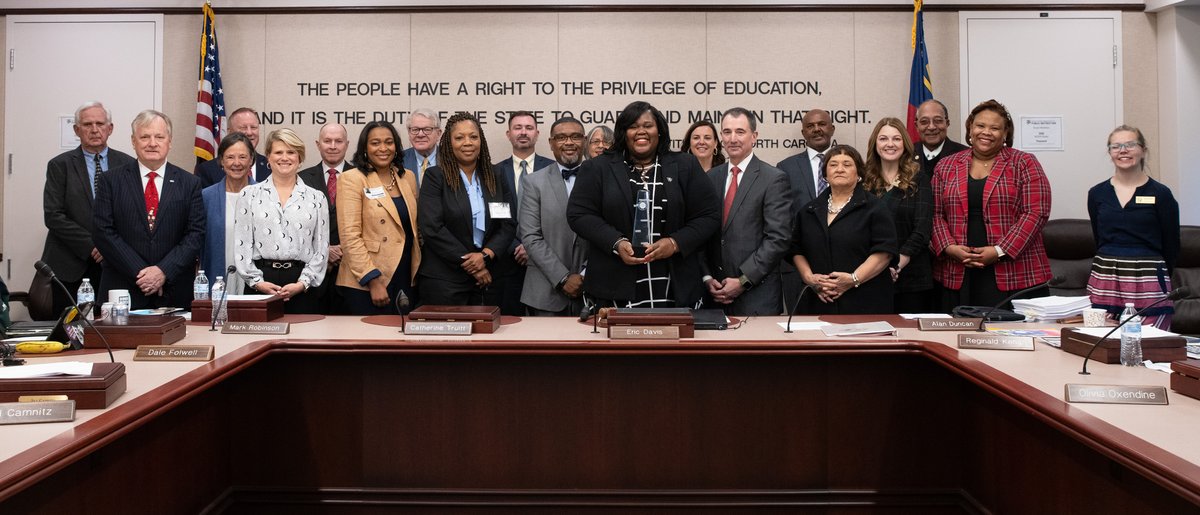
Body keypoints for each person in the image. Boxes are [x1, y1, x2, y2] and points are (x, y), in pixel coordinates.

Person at [566, 101, 720, 309]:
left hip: (673, 282)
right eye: (633, 126)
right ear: (623, 132)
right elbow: (579, 214)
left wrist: (675, 243)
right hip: (614, 282)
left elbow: (709, 215)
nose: (641, 132)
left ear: (659, 131)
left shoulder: (685, 165)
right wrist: (616, 242)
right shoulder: (597, 168)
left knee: (672, 340)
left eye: (648, 126)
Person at [931, 99, 1053, 310]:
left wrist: (999, 251)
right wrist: (948, 247)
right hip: (958, 269)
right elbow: (933, 213)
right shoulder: (947, 165)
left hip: (1015, 272)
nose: (986, 132)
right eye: (980, 126)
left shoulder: (1024, 163)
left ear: (1005, 133)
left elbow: (1036, 213)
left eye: (995, 128)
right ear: (970, 128)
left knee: (1013, 337)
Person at [92, 110, 205, 309]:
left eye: (159, 137)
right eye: (145, 137)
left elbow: (195, 234)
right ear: (133, 142)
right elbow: (103, 232)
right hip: (123, 288)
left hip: (173, 289)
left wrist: (163, 271)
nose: (152, 143)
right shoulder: (110, 181)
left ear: (169, 141)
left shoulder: (190, 183)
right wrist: (143, 274)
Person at [42, 101, 135, 315]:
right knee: (68, 334)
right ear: (76, 130)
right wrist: (93, 245)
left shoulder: (128, 164)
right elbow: (53, 215)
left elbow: (132, 214)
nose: (94, 130)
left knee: (111, 329)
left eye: (100, 123)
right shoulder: (60, 165)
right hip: (70, 265)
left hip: (114, 264)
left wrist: (110, 245)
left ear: (110, 128)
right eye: (87, 124)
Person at [1086, 125, 1180, 329]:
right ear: (1110, 153)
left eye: (1130, 145)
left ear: (1143, 150)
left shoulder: (1161, 194)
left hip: (1148, 280)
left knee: (1150, 345)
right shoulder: (1097, 194)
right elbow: (1098, 238)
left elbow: (1172, 244)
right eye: (1116, 146)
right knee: (1102, 343)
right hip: (1106, 277)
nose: (1123, 150)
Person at [418, 112, 515, 306]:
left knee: (487, 335)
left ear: (481, 140)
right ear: (448, 142)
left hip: (490, 278)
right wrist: (473, 264)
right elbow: (432, 228)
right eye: (459, 137)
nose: (467, 142)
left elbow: (507, 225)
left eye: (473, 136)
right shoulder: (435, 176)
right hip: (445, 280)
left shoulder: (495, 175)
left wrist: (486, 255)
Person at [703, 107, 791, 316]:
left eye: (740, 132)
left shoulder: (773, 178)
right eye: (726, 132)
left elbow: (778, 238)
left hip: (757, 297)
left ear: (754, 137)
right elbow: (701, 233)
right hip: (714, 296)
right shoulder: (710, 178)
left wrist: (743, 280)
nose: (732, 138)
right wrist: (707, 278)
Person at [789, 145, 896, 314]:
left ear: (859, 173)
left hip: (865, 302)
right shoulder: (808, 210)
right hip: (818, 301)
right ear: (825, 174)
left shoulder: (875, 207)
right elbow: (796, 250)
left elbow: (884, 253)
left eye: (847, 164)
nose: (839, 169)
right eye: (833, 165)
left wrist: (853, 279)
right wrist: (810, 279)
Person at [233, 129, 328, 314]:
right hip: (260, 282)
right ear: (268, 157)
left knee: (301, 340)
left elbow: (321, 249)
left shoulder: (317, 198)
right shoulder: (249, 195)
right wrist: (257, 283)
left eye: (291, 152)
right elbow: (242, 245)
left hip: (302, 285)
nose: (284, 157)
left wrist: (302, 283)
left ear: (300, 157)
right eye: (278, 152)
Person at [337, 121, 421, 314]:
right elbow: (350, 236)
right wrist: (372, 279)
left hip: (405, 273)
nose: (383, 148)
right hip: (367, 279)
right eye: (375, 143)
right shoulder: (352, 179)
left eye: (389, 142)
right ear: (365, 148)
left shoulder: (407, 177)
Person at [518, 117, 589, 316]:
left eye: (575, 137)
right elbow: (531, 237)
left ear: (584, 141)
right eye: (561, 137)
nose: (568, 142)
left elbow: (608, 233)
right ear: (551, 143)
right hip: (545, 294)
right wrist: (563, 278)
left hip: (591, 293)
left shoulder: (600, 178)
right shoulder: (533, 182)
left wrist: (584, 275)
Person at [862, 117, 934, 313]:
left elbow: (922, 229)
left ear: (905, 143)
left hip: (912, 277)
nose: (890, 144)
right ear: (875, 144)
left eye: (896, 139)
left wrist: (896, 266)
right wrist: (877, 267)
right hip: (871, 276)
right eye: (883, 139)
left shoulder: (919, 179)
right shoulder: (864, 182)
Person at [493, 111, 554, 315]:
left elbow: (557, 216)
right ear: (508, 134)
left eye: (528, 128)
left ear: (537, 134)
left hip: (545, 260)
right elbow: (497, 215)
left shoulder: (553, 169)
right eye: (518, 128)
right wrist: (515, 246)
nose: (523, 132)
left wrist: (533, 247)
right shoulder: (495, 172)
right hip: (508, 261)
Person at [777, 108, 837, 314]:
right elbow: (782, 220)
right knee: (800, 332)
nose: (817, 129)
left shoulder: (848, 165)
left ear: (832, 128)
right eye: (810, 126)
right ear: (803, 133)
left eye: (822, 124)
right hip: (797, 267)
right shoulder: (785, 168)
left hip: (840, 267)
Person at [299, 123, 353, 313]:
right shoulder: (301, 180)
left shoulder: (362, 177)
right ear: (318, 144)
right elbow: (295, 228)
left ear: (347, 144)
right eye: (327, 141)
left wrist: (342, 249)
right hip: (312, 276)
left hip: (351, 273)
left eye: (338, 141)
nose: (332, 146)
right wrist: (324, 250)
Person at [200, 132, 255, 295]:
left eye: (243, 157)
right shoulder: (206, 197)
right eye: (230, 157)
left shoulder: (264, 195)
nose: (236, 163)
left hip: (255, 283)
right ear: (221, 161)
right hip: (217, 278)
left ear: (251, 160)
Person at [195, 107, 270, 188]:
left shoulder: (271, 166)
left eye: (253, 127)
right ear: (230, 132)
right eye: (243, 128)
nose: (249, 132)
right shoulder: (207, 170)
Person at [914, 99, 969, 178]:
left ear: (947, 123)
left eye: (938, 121)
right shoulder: (906, 154)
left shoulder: (965, 155)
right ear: (916, 126)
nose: (931, 127)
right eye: (924, 122)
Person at [402, 108, 442, 186]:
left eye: (427, 129)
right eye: (415, 129)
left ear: (438, 134)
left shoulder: (451, 159)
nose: (420, 135)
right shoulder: (399, 161)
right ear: (409, 133)